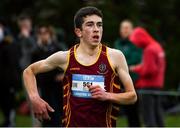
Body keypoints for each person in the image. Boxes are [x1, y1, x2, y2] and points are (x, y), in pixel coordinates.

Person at [23, 6, 137, 127]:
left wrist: (108, 95)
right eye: (90, 25)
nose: (96, 29)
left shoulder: (115, 56)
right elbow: (29, 71)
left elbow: (132, 96)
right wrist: (34, 98)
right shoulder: (65, 58)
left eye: (99, 25)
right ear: (78, 32)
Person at [129, 27, 166, 127]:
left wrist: (135, 69)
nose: (136, 44)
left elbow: (149, 70)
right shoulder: (157, 46)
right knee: (158, 114)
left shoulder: (149, 50)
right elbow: (153, 67)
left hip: (148, 86)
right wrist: (138, 67)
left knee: (148, 116)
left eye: (136, 41)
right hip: (158, 85)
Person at [31, 24, 64, 126]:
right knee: (46, 110)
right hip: (44, 85)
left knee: (57, 109)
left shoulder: (57, 47)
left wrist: (63, 74)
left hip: (57, 84)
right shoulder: (36, 50)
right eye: (40, 33)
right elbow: (32, 68)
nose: (43, 35)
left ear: (50, 34)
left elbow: (65, 63)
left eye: (45, 33)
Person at [114, 20, 142, 127]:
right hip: (119, 81)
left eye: (127, 28)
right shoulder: (117, 43)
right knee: (123, 112)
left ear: (132, 30)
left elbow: (137, 60)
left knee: (134, 112)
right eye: (122, 28)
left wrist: (122, 64)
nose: (124, 30)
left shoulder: (136, 43)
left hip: (134, 82)